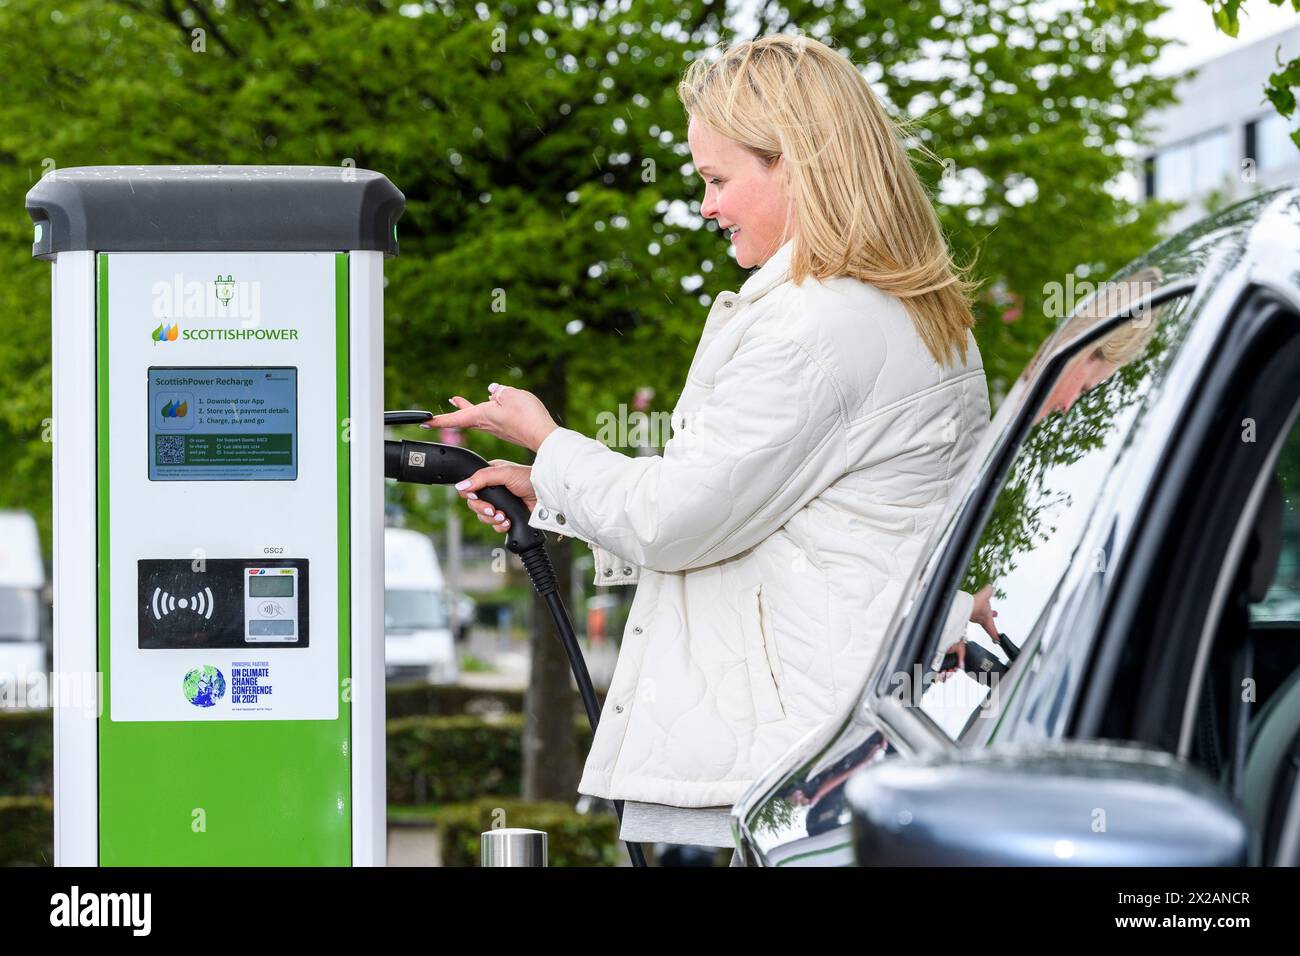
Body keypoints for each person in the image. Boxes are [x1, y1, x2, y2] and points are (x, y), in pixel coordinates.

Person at [422, 34, 991, 867]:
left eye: (717, 179)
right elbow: (755, 513)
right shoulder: (913, 312)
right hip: (869, 738)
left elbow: (676, 519)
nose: (705, 206)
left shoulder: (813, 326)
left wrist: (547, 440)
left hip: (810, 768)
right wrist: (548, 485)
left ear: (797, 163)